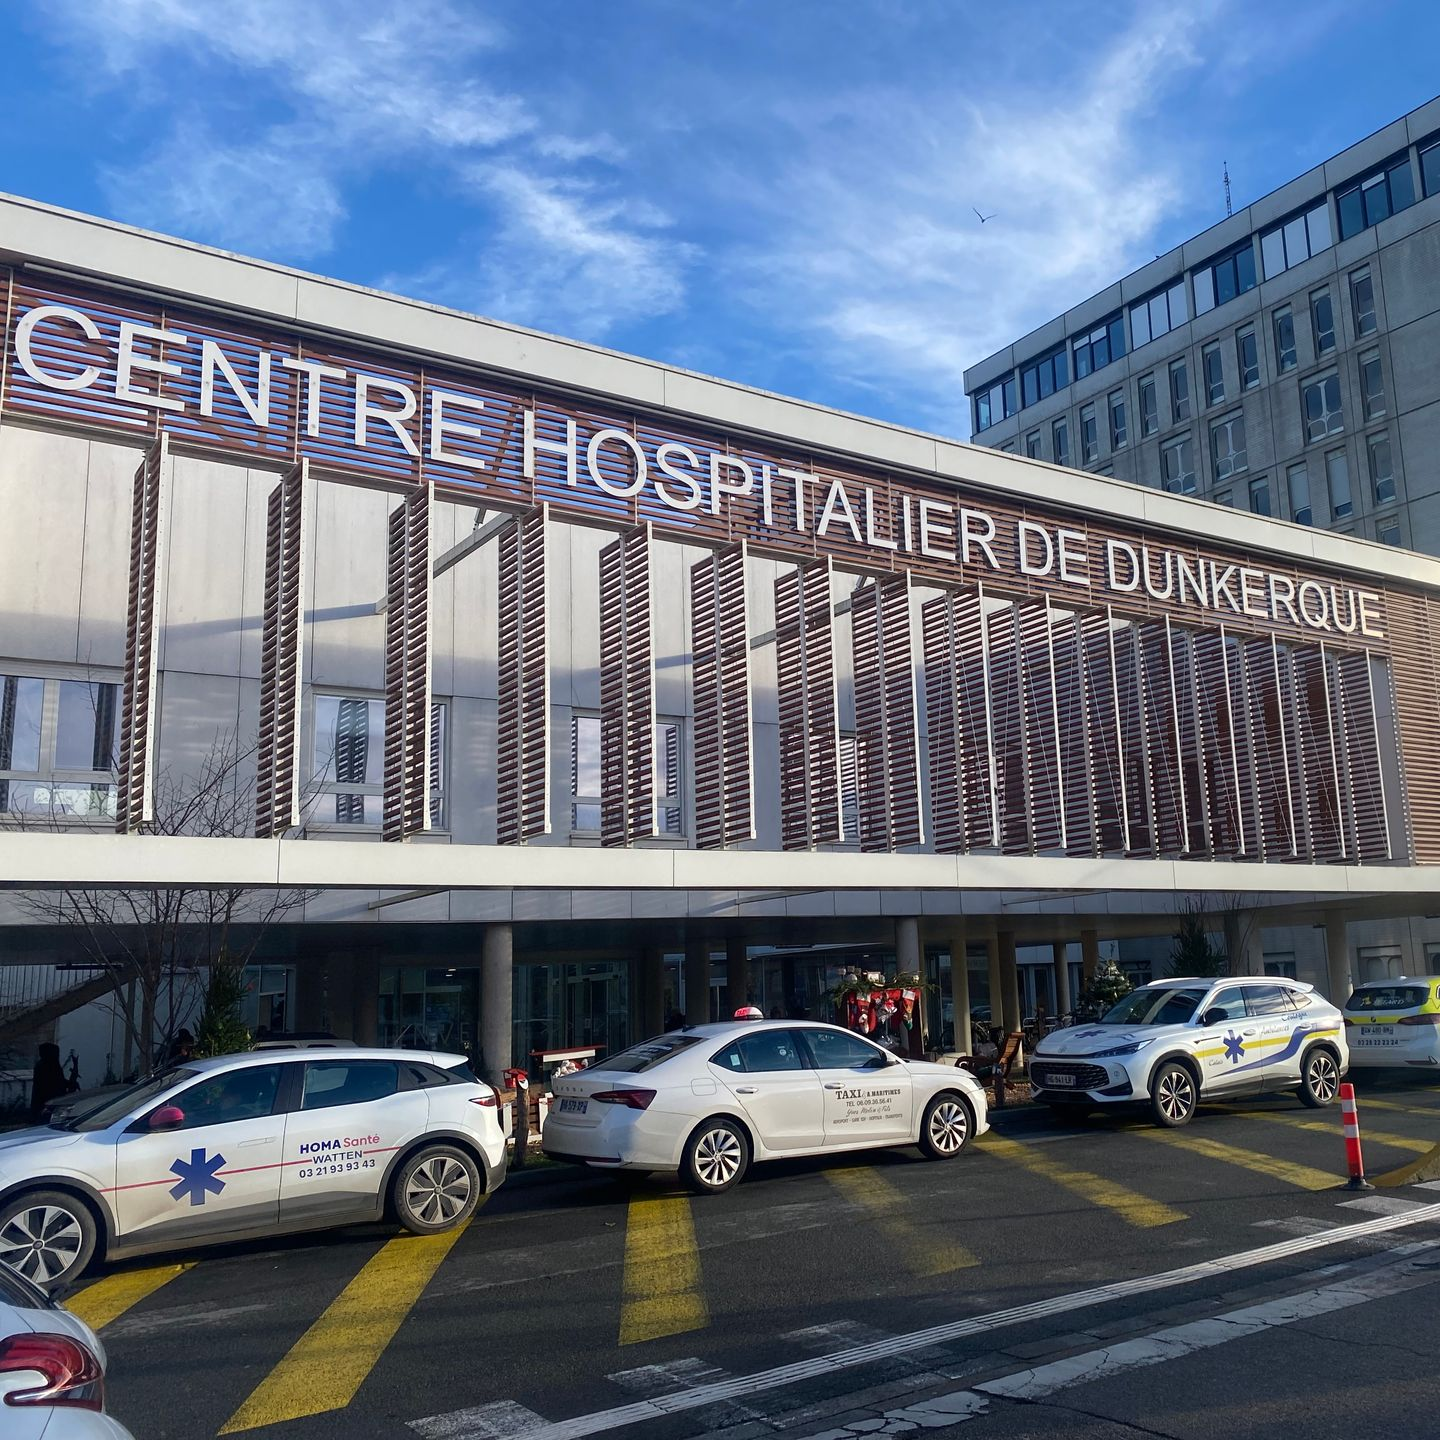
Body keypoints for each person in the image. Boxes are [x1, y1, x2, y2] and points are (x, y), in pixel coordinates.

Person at [29, 1043, 67, 1124]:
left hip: (51, 1101)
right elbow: (52, 1083)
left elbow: (59, 1081)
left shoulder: (51, 1065)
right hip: (48, 1101)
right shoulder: (46, 1066)